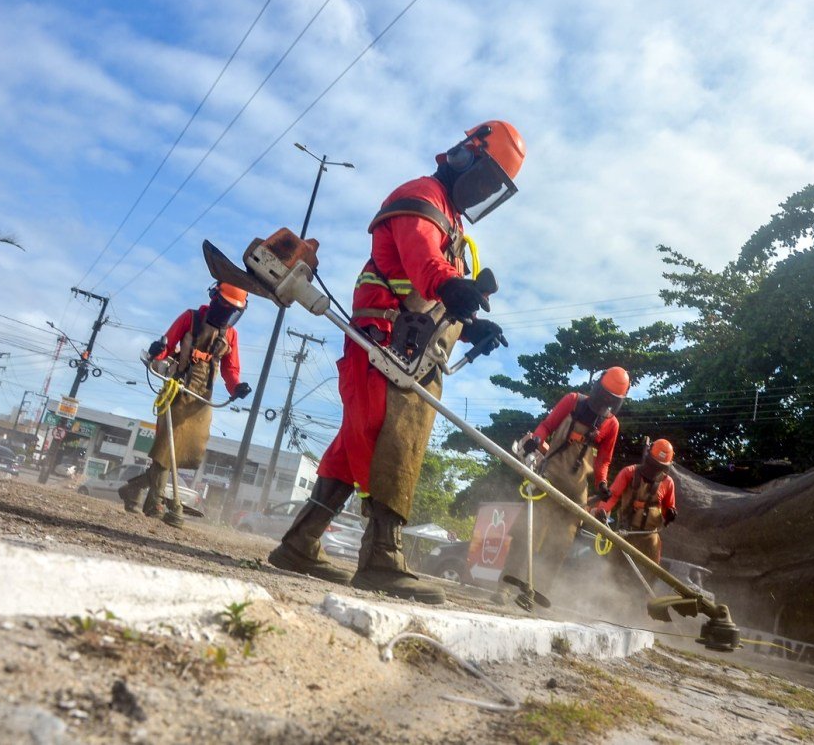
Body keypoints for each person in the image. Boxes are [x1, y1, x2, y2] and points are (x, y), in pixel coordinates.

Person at [268, 120, 523, 604]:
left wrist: (470, 326)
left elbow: (439, 295)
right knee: (393, 439)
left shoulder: (453, 220)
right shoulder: (421, 196)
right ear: (465, 157)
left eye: (495, 188)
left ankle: (299, 543)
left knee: (356, 443)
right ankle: (381, 559)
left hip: (411, 347)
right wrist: (450, 284)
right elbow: (424, 262)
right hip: (384, 340)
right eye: (487, 179)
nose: (484, 192)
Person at [118, 283, 252, 525]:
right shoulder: (190, 318)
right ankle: (156, 504)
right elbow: (166, 347)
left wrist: (237, 387)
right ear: (214, 299)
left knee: (186, 451)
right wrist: (157, 351)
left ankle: (134, 489)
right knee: (166, 448)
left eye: (233, 311)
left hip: (202, 398)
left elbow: (230, 370)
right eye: (224, 307)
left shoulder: (231, 335)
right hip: (177, 388)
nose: (227, 314)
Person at [499, 367, 629, 601]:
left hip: (577, 490)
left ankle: (537, 593)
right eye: (604, 397)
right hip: (550, 477)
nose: (605, 403)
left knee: (560, 543)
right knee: (528, 532)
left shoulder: (612, 424)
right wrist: (537, 439)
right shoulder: (573, 401)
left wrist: (601, 482)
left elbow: (604, 460)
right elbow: (547, 425)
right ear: (598, 388)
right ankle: (505, 587)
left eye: (611, 401)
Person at [592, 437, 678, 578]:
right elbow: (612, 495)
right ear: (648, 457)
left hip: (650, 538)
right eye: (653, 464)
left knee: (649, 578)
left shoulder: (668, 483)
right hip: (625, 533)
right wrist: (602, 510)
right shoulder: (629, 472)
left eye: (659, 467)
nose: (655, 469)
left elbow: (668, 507)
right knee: (614, 576)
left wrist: (670, 514)